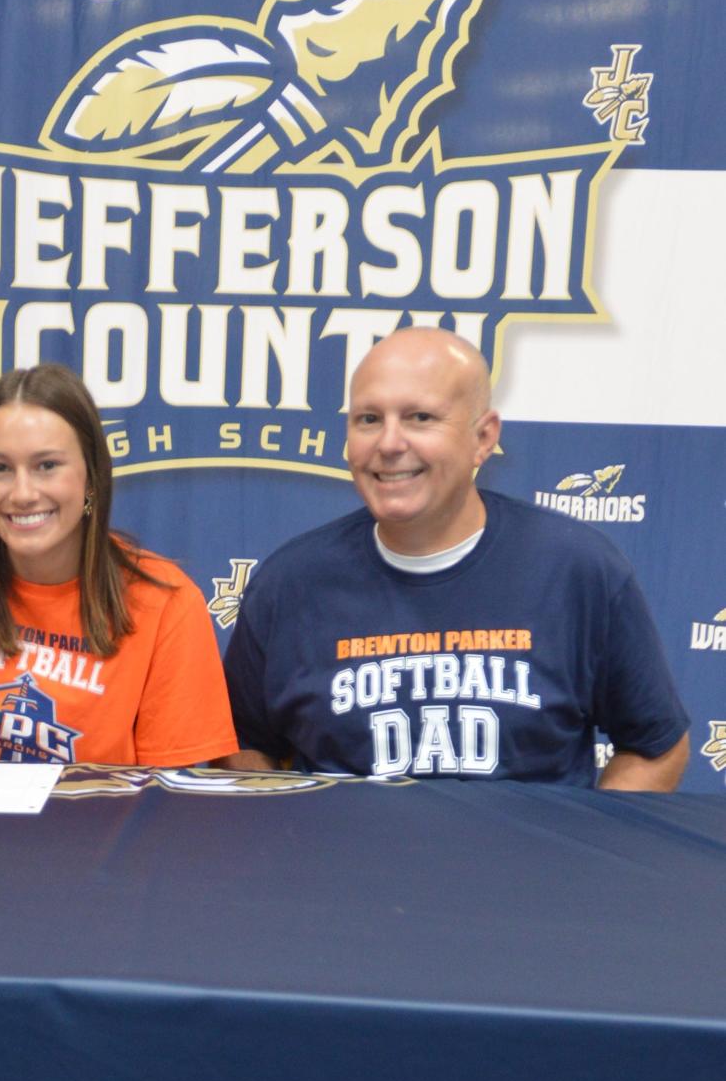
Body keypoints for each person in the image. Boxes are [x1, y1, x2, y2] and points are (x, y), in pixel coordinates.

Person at [223, 327, 690, 790]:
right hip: (342, 865)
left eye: (420, 417)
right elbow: (243, 744)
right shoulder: (290, 582)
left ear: (483, 437)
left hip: (526, 866)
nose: (388, 443)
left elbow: (656, 746)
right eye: (368, 419)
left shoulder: (578, 570)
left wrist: (588, 857)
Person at [0, 363, 237, 797]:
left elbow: (170, 796)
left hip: (99, 847)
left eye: (47, 466)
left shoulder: (166, 602)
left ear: (91, 475)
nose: (21, 493)